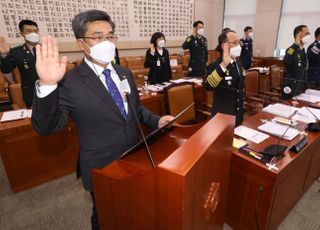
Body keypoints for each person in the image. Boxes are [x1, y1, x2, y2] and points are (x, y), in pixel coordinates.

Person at [31, 10, 173, 230]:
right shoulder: (70, 81)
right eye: (98, 37)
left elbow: (134, 108)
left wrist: (157, 121)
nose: (106, 42)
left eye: (110, 36)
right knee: (105, 214)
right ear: (81, 43)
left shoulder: (123, 72)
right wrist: (48, 85)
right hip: (102, 164)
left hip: (134, 155)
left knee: (134, 207)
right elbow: (47, 127)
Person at [203, 30, 244, 127]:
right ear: (223, 46)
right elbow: (208, 86)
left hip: (238, 114)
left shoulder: (238, 63)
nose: (238, 46)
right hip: (222, 117)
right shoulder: (216, 65)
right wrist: (224, 65)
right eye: (235, 43)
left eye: (239, 42)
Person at [0, 20, 40, 107]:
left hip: (51, 91)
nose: (33, 33)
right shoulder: (16, 51)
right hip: (31, 93)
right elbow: (6, 69)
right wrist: (3, 55)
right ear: (22, 33)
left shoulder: (47, 49)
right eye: (29, 31)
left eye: (35, 31)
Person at [281, 25, 310, 99]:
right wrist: (295, 45)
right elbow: (286, 60)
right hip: (291, 88)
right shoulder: (291, 49)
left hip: (300, 87)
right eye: (306, 33)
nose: (309, 36)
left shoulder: (303, 50)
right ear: (298, 35)